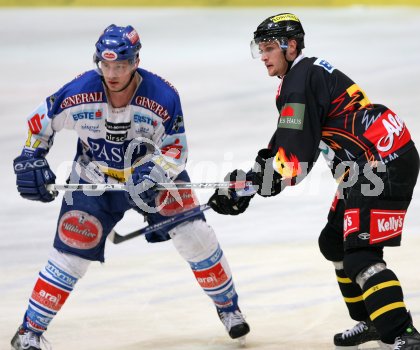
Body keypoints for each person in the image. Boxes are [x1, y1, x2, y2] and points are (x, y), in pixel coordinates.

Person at [11, 24, 250, 350]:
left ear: (135, 62)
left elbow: (176, 149)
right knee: (70, 254)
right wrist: (30, 156)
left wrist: (156, 173)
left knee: (195, 236)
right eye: (106, 65)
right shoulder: (79, 91)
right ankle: (29, 332)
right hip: (94, 181)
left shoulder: (163, 96)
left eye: (120, 66)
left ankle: (229, 310)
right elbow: (39, 124)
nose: (112, 73)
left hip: (152, 178)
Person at [208, 13, 420, 350]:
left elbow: (294, 163)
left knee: (360, 255)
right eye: (260, 49)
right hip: (371, 160)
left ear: (291, 46)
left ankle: (404, 335)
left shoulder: (298, 82)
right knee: (333, 242)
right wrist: (250, 182)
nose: (263, 56)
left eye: (269, 48)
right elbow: (287, 143)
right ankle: (371, 320)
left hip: (379, 163)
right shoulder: (301, 75)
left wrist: (249, 186)